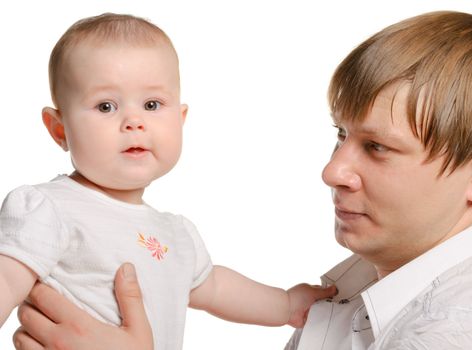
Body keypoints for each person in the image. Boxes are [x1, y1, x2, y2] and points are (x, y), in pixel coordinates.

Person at [11, 9, 472, 350]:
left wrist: (280, 306)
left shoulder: (469, 329)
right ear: (59, 128)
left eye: (377, 147)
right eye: (340, 135)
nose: (331, 170)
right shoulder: (355, 288)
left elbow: (209, 284)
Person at [0, 13, 336, 350]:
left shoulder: (175, 233)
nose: (134, 122)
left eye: (151, 104)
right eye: (105, 106)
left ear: (180, 118)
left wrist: (286, 305)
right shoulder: (49, 208)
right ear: (60, 130)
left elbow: (216, 287)